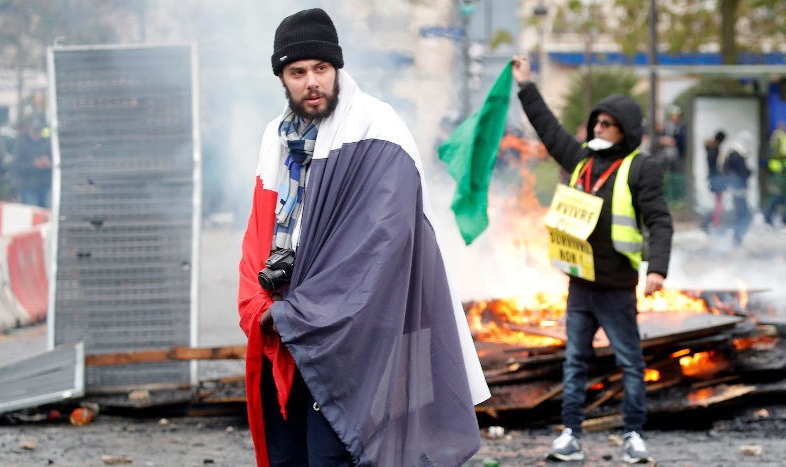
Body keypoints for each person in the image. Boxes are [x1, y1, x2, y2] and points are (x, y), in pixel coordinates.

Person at [237, 9, 489, 466]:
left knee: (337, 455)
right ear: (281, 78)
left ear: (337, 69)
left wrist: (302, 312)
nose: (312, 81)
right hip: (288, 337)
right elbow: (259, 229)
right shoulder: (275, 136)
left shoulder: (378, 125)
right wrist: (259, 308)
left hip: (354, 341)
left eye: (321, 68)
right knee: (288, 455)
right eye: (298, 72)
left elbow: (383, 244)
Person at [511, 55, 672, 464]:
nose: (597, 129)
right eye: (596, 123)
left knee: (630, 364)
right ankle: (570, 436)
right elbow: (547, 129)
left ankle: (634, 436)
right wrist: (526, 85)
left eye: (607, 125)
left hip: (617, 287)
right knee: (575, 363)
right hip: (580, 284)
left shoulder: (640, 169)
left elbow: (660, 221)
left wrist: (657, 270)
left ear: (625, 131)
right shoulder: (580, 160)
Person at [718, 131, 754, 246]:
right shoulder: (736, 154)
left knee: (743, 214)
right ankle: (736, 238)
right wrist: (748, 172)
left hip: (737, 188)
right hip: (737, 189)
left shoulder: (735, 153)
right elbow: (740, 172)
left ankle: (737, 237)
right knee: (743, 214)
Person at [12, 119, 52, 208]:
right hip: (29, 186)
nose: (36, 133)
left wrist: (49, 163)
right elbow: (16, 165)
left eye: (38, 130)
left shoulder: (46, 143)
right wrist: (33, 164)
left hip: (45, 185)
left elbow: (54, 160)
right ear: (29, 130)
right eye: (34, 130)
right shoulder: (22, 144)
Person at [700, 131, 727, 232]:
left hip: (714, 178)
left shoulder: (711, 149)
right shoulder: (714, 150)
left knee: (718, 204)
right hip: (715, 178)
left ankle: (711, 223)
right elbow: (716, 166)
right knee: (718, 204)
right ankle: (714, 224)